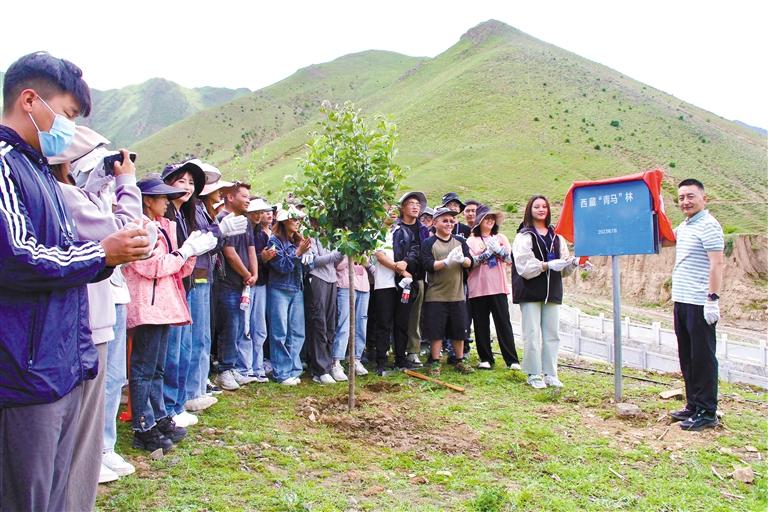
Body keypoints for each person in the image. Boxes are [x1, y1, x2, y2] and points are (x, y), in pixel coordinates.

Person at [0, 51, 150, 512]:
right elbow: (18, 257)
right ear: (30, 100)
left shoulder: (37, 171)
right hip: (24, 369)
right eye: (66, 114)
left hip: (58, 360)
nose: (67, 129)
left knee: (58, 491)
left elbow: (64, 252)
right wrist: (103, 254)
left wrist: (103, 258)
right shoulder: (4, 164)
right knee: (27, 495)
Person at [48, 126, 143, 502]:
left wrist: (102, 183)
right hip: (88, 319)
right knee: (82, 429)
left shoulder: (66, 193)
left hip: (87, 315)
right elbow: (129, 232)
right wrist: (127, 184)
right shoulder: (65, 194)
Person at [124, 177, 216, 453]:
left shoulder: (163, 227)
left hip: (163, 305)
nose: (167, 202)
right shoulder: (140, 227)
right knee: (144, 368)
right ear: (147, 200)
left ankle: (159, 416)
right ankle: (143, 426)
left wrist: (190, 254)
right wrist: (185, 251)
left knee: (157, 367)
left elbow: (177, 269)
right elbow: (153, 267)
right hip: (148, 305)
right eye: (162, 197)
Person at [185, 173, 248, 411]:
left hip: (206, 276)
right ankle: (192, 389)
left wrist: (220, 233)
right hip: (197, 276)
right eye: (216, 189)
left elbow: (214, 246)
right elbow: (202, 244)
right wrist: (220, 231)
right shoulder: (195, 211)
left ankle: (199, 385)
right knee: (196, 338)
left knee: (203, 336)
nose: (220, 193)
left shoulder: (205, 211)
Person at [667, 179, 724, 431]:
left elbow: (717, 264)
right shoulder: (686, 225)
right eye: (681, 198)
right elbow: (666, 240)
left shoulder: (709, 225)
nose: (685, 202)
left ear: (703, 198)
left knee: (702, 357)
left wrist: (712, 299)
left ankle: (707, 411)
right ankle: (693, 405)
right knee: (687, 355)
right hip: (682, 299)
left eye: (690, 196)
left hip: (699, 302)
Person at [512, 195, 577, 389]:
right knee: (532, 334)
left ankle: (550, 373)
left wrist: (573, 263)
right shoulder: (524, 236)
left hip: (553, 292)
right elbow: (523, 266)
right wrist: (546, 265)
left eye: (544, 206)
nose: (541, 210)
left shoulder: (557, 236)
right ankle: (533, 373)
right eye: (537, 207)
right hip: (530, 292)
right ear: (529, 210)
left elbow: (563, 268)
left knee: (552, 334)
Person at [214, 182, 260, 390]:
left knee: (241, 326)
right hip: (227, 282)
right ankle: (224, 370)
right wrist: (246, 274)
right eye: (244, 196)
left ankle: (233, 368)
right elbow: (229, 252)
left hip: (244, 284)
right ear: (230, 197)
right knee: (229, 327)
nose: (248, 200)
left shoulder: (246, 222)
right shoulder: (223, 220)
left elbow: (251, 248)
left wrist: (254, 273)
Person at [420, 207, 475, 376]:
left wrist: (463, 260)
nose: (449, 224)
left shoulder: (460, 241)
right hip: (436, 295)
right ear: (435, 223)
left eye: (452, 221)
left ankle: (459, 360)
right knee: (436, 330)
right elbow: (428, 264)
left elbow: (470, 262)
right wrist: (446, 261)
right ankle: (435, 361)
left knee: (459, 329)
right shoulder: (429, 243)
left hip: (457, 294)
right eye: (445, 221)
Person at [466, 205, 521, 370]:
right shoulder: (471, 240)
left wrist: (498, 249)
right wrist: (487, 253)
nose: (490, 220)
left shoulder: (501, 238)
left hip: (498, 287)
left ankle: (512, 360)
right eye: (486, 218)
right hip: (478, 287)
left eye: (492, 218)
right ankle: (485, 358)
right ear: (479, 221)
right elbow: (470, 263)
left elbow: (510, 260)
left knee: (503, 323)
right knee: (481, 324)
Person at [267, 205, 312, 385]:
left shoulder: (298, 240)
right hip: (279, 289)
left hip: (296, 288)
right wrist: (298, 253)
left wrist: (307, 257)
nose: (297, 222)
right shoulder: (274, 241)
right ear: (284, 221)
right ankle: (281, 372)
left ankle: (294, 369)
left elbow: (308, 267)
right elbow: (282, 267)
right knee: (280, 332)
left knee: (297, 332)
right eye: (294, 219)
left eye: (299, 219)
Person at [305, 221, 344, 384]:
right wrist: (337, 254)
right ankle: (319, 369)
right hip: (317, 279)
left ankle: (327, 365)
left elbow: (336, 263)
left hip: (332, 280)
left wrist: (343, 253)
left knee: (330, 324)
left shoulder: (331, 236)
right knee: (318, 323)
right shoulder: (310, 235)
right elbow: (312, 261)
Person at [392, 191, 427, 369]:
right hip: (394, 278)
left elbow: (423, 252)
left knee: (415, 317)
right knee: (396, 317)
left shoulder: (423, 229)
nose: (415, 207)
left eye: (418, 204)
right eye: (411, 203)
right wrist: (401, 268)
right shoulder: (395, 228)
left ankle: (413, 351)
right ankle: (394, 351)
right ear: (403, 208)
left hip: (417, 277)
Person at [371, 206, 408, 375]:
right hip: (383, 284)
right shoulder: (375, 233)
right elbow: (379, 256)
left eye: (394, 209)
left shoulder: (403, 231)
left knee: (401, 323)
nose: (392, 212)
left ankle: (400, 359)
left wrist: (405, 267)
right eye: (387, 209)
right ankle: (381, 361)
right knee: (383, 323)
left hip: (403, 284)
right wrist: (399, 269)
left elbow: (411, 252)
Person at [332, 257, 374, 379]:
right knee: (344, 324)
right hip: (346, 285)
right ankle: (336, 362)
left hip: (363, 286)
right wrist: (350, 256)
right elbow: (338, 266)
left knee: (361, 324)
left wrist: (365, 260)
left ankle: (356, 359)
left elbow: (367, 263)